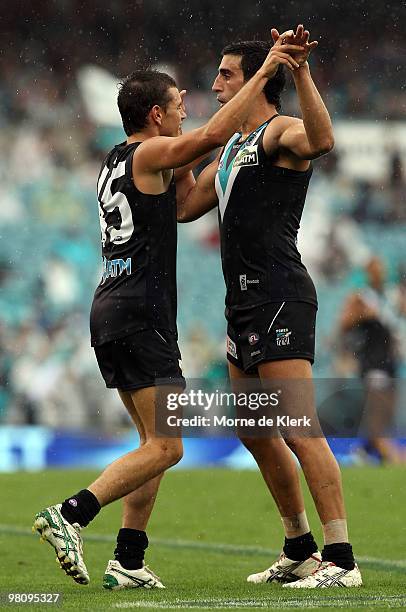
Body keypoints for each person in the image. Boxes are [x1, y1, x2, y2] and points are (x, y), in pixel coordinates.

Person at [32, 37, 306, 590]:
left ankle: (128, 559)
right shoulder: (150, 152)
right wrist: (263, 76)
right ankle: (71, 514)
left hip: (111, 306)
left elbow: (184, 197)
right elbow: (208, 136)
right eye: (178, 105)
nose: (189, 109)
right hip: (140, 311)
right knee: (168, 445)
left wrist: (204, 148)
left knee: (151, 443)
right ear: (155, 116)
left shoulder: (117, 160)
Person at [178, 25, 362, 588]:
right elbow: (186, 204)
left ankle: (342, 558)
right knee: (256, 429)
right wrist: (180, 142)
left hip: (281, 295)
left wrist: (302, 71)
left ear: (259, 81)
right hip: (244, 304)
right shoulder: (232, 147)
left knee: (299, 427)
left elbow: (323, 140)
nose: (214, 83)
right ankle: (299, 546)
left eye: (226, 74)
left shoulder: (278, 131)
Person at [339, 256, 404, 463]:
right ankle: (387, 453)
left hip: (390, 362)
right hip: (373, 362)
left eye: (382, 268)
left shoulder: (390, 295)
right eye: (375, 269)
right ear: (368, 272)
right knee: (377, 411)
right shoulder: (362, 297)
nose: (380, 273)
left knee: (387, 412)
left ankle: (364, 451)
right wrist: (364, 315)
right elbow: (343, 323)